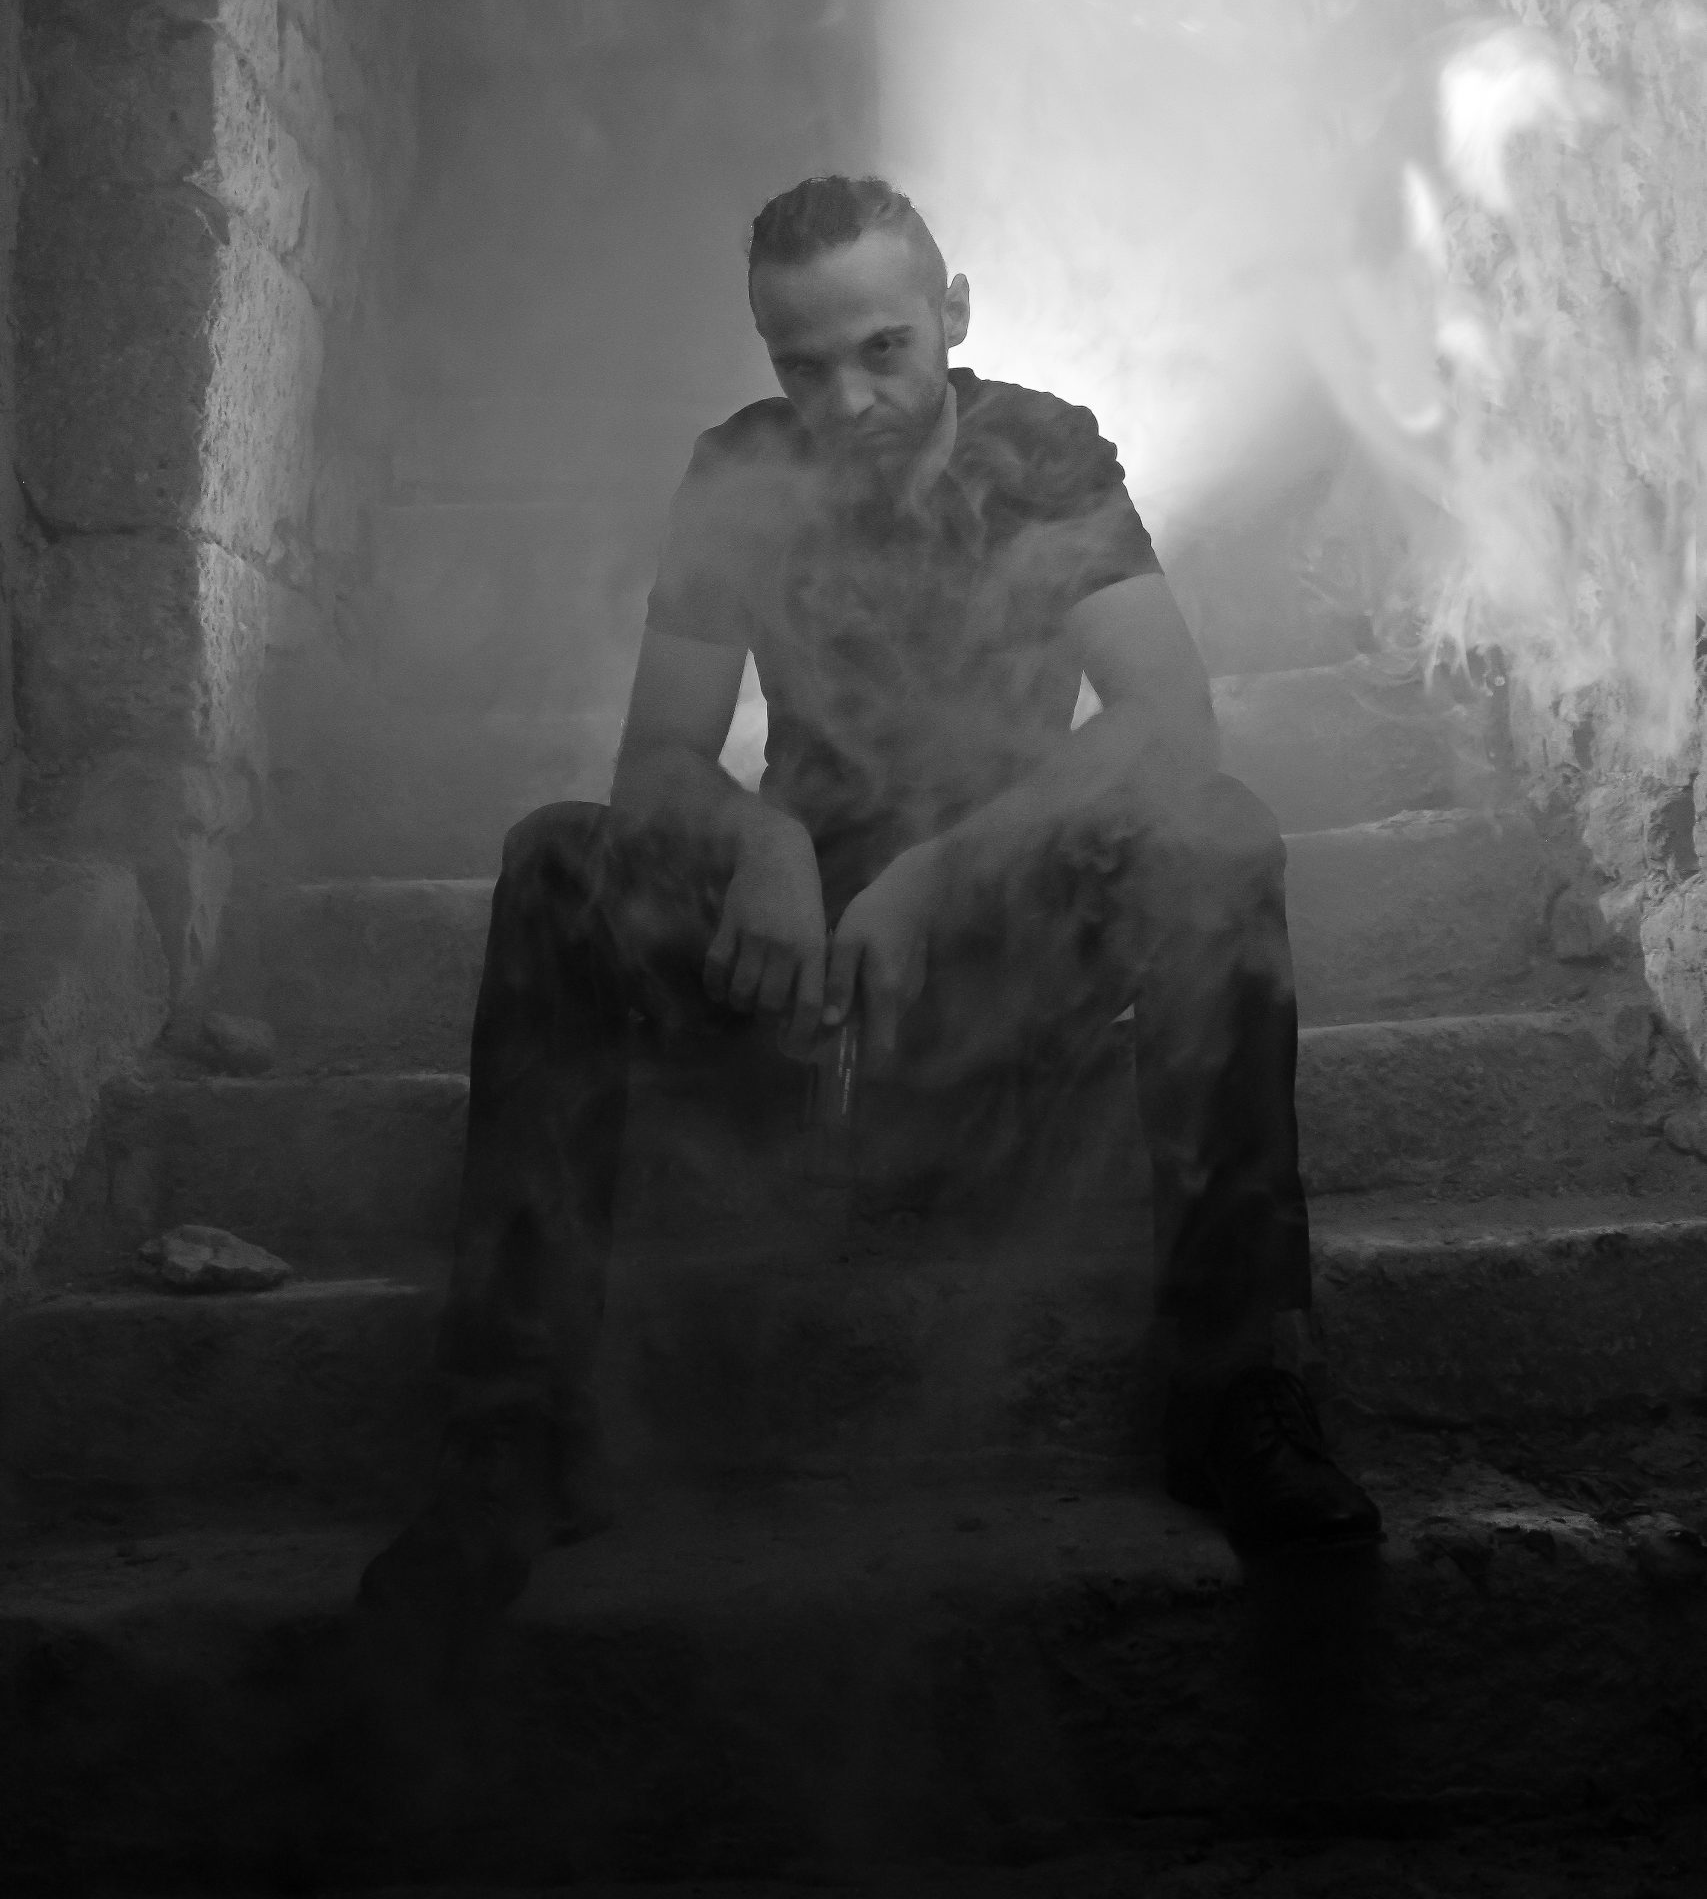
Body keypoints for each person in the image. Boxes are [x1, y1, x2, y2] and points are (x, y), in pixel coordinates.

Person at [361, 175, 1380, 1621]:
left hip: (1006, 949)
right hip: (793, 975)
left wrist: (941, 873)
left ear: (950, 315)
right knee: (556, 861)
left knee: (1217, 837)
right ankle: (511, 1441)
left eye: (883, 351)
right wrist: (761, 844)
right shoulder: (739, 472)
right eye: (803, 366)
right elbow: (658, 760)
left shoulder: (1041, 449)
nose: (846, 401)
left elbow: (1168, 720)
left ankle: (1240, 1404)